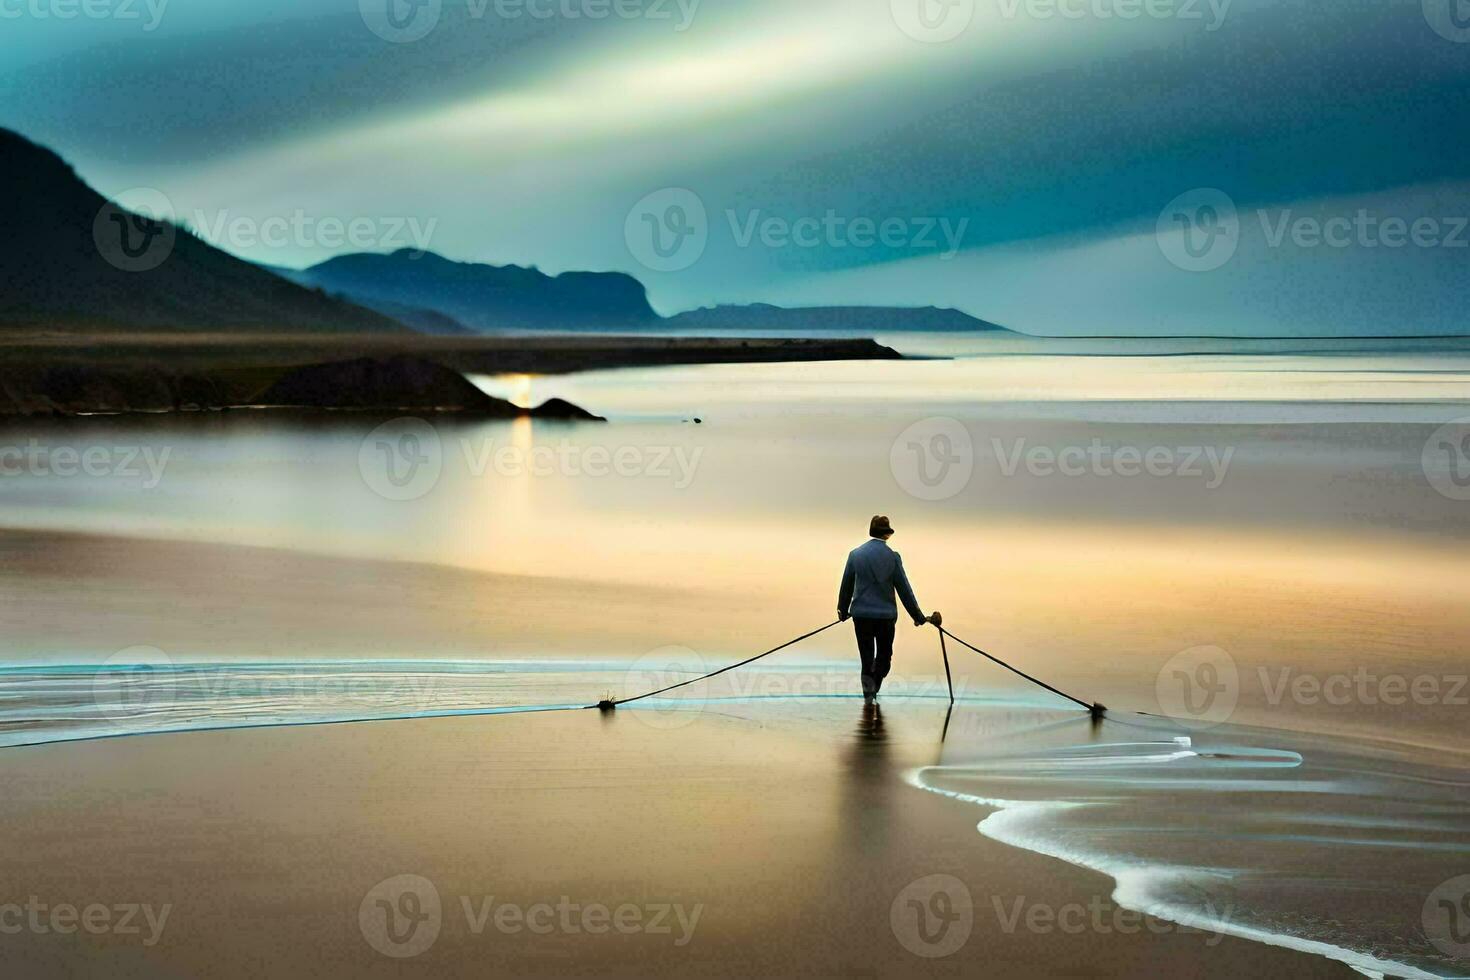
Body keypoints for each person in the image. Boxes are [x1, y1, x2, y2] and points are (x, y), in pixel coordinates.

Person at [837, 515, 940, 703]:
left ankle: (869, 697)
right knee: (884, 659)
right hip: (885, 618)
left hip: (861, 617)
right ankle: (874, 689)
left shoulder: (855, 555)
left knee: (866, 659)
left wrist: (842, 612)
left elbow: (846, 586)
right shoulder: (893, 557)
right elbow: (904, 589)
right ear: (887, 535)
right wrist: (917, 616)